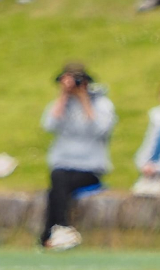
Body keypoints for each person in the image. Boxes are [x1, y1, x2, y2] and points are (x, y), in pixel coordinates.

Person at [40, 62, 117, 251]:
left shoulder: (102, 104)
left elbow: (101, 129)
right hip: (63, 163)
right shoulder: (62, 104)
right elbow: (49, 125)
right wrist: (63, 96)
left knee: (59, 185)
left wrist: (84, 99)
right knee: (58, 182)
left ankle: (56, 231)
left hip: (89, 167)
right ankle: (56, 232)